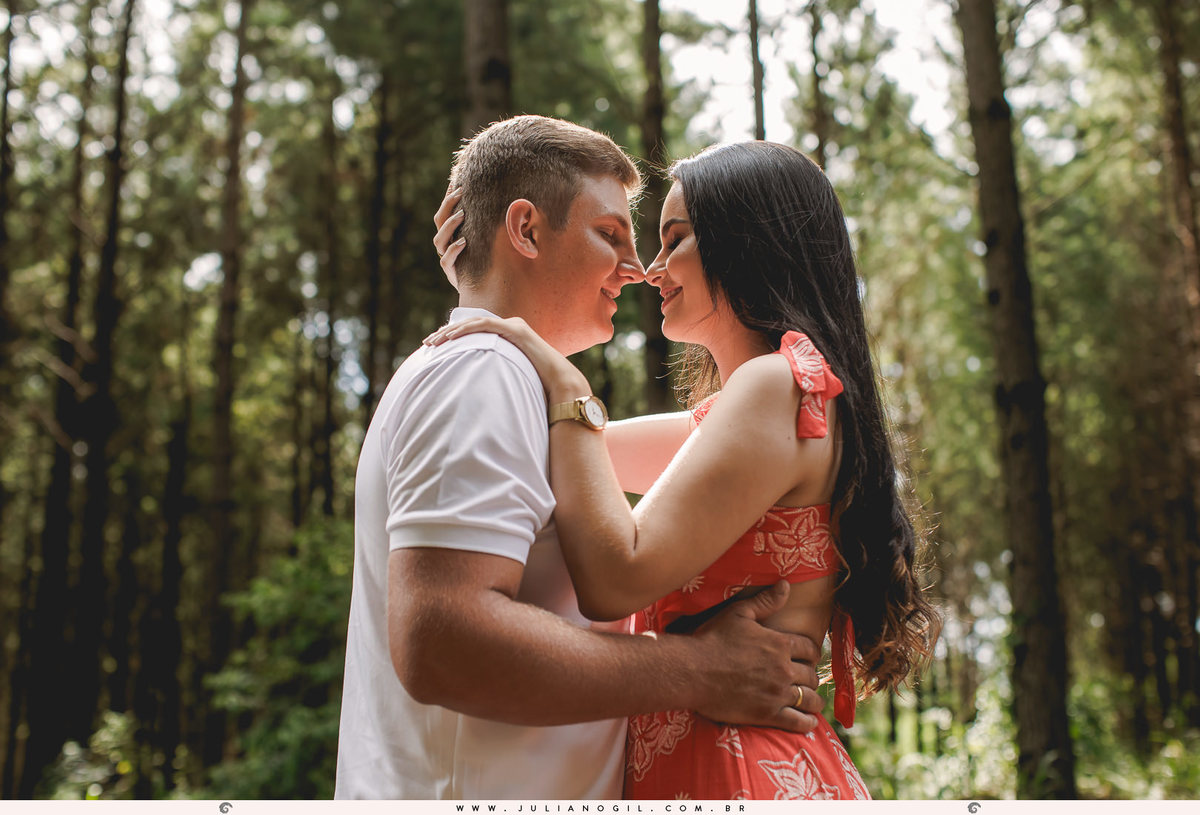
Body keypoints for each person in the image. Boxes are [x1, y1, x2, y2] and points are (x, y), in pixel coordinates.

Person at [426, 140, 939, 800]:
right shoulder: (777, 396)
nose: (651, 269)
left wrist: (569, 384)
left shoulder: (775, 385)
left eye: (675, 239)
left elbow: (615, 576)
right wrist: (486, 287)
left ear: (747, 241)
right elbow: (563, 448)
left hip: (736, 770)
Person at [334, 117, 826, 801]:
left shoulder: (506, 378)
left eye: (661, 240)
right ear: (528, 231)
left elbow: (640, 450)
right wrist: (699, 668)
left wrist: (485, 295)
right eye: (611, 235)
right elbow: (440, 640)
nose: (638, 269)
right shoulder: (484, 371)